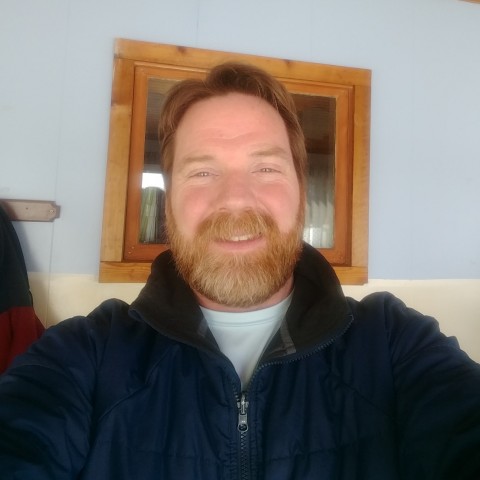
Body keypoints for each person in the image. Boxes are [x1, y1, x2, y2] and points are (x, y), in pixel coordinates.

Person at [0, 62, 479, 480]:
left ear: (300, 193)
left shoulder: (394, 344)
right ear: (169, 201)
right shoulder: (84, 354)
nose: (234, 199)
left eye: (266, 168)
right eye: (202, 172)